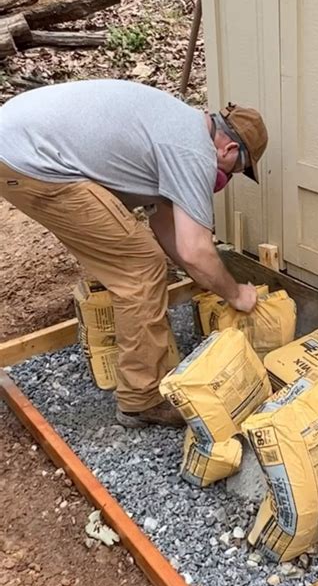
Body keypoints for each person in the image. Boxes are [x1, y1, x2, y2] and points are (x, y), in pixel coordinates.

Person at [0, 79, 268, 428]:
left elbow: (167, 228)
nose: (225, 180)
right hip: (34, 160)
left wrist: (198, 273)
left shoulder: (180, 123)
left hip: (18, 139)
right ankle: (141, 401)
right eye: (234, 172)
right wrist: (236, 294)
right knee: (140, 270)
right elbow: (195, 249)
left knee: (142, 260)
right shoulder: (193, 152)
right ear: (228, 150)